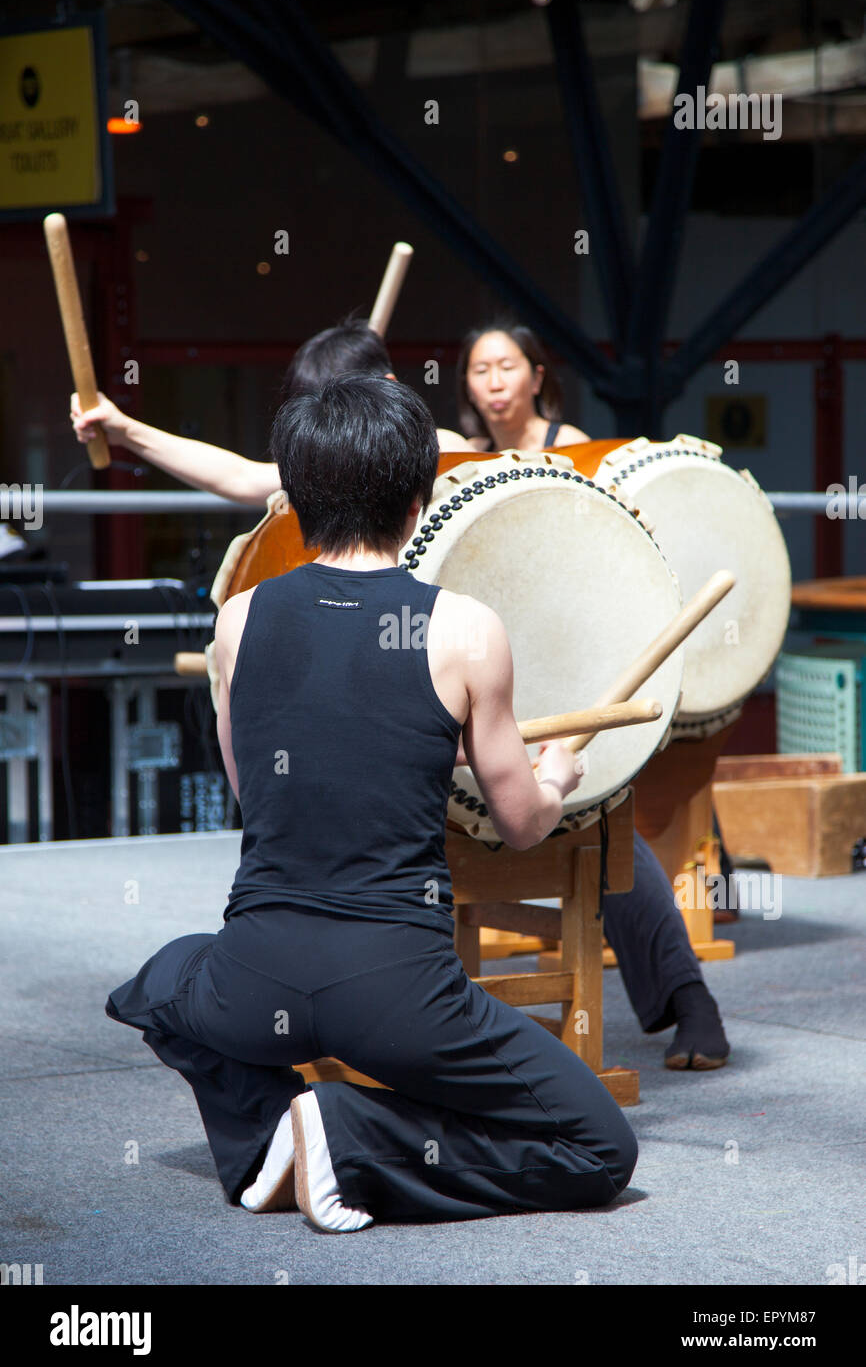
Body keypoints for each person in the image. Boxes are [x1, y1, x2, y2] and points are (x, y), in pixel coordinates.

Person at [104, 373, 638, 1230]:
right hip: (400, 998)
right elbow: (522, 826)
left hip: (254, 979)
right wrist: (558, 777)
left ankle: (269, 1138)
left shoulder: (240, 618)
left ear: (295, 497)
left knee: (156, 984)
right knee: (599, 1149)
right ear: (422, 496)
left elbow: (256, 794)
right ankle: (347, 1135)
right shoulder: (465, 629)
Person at [457, 322, 730, 1072]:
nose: (494, 381)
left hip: (567, 667)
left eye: (506, 365)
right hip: (475, 668)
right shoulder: (451, 459)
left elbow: (612, 553)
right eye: (480, 369)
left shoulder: (577, 450)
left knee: (603, 828)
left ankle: (689, 999)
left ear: (538, 375)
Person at [70, 316, 466, 503]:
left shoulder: (445, 451)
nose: (324, 426)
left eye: (337, 410)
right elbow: (239, 476)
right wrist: (124, 430)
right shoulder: (321, 467)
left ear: (389, 389)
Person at [456, 323, 589, 453]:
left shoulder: (572, 446)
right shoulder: (471, 453)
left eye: (507, 367)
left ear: (537, 378)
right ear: (467, 387)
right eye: (481, 371)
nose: (495, 385)